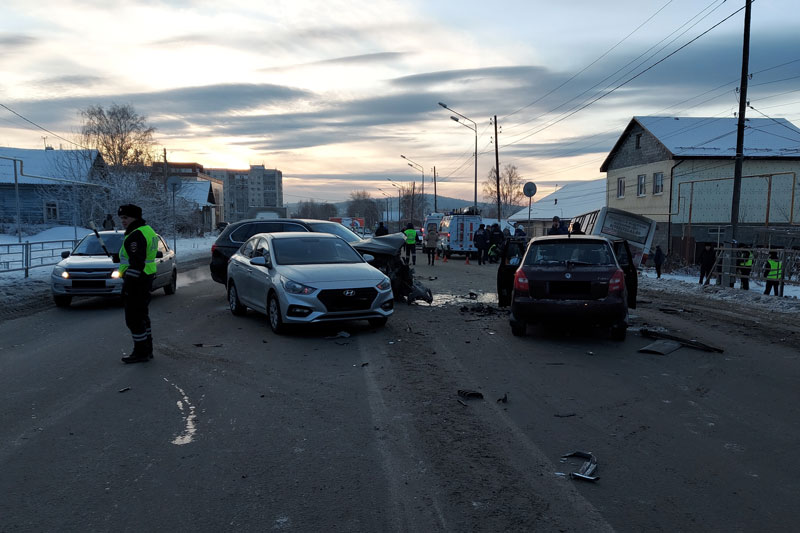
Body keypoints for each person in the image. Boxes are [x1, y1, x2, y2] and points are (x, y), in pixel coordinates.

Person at [117, 204, 158, 364]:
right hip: (146, 278)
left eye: (126, 217)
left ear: (135, 217)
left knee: (133, 319)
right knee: (142, 316)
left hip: (137, 281)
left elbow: (137, 263)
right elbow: (140, 256)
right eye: (121, 218)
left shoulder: (135, 235)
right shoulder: (147, 230)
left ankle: (141, 352)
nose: (123, 221)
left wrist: (127, 287)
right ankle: (147, 349)